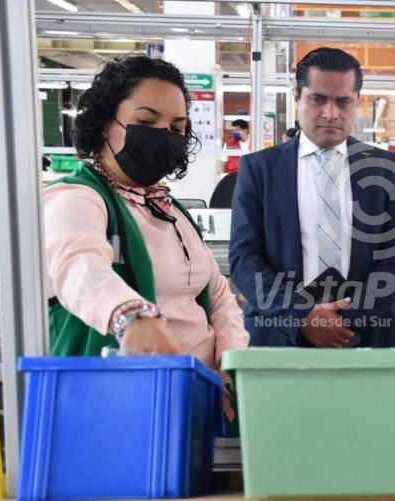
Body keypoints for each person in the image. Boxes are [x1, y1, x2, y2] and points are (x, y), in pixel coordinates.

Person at [43, 55, 250, 372]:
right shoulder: (78, 199)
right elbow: (78, 266)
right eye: (146, 122)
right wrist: (131, 316)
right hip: (121, 392)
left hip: (201, 390)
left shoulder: (171, 211)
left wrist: (230, 364)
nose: (163, 135)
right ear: (105, 123)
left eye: (176, 127)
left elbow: (218, 295)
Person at [229, 47, 395, 348]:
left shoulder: (384, 169)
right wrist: (301, 317)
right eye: (318, 99)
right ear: (297, 96)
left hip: (364, 335)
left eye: (343, 101)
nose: (331, 113)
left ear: (356, 102)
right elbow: (244, 259)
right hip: (278, 334)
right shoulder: (259, 169)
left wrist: (344, 321)